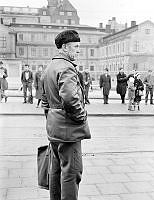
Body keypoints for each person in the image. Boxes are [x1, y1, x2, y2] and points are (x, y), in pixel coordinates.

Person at [41, 30, 91, 200]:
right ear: (64, 47)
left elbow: (45, 100)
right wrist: (81, 117)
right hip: (68, 130)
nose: (78, 50)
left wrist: (51, 119)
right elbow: (70, 98)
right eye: (76, 47)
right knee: (72, 172)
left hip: (54, 129)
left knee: (55, 171)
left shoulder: (49, 67)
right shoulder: (67, 68)